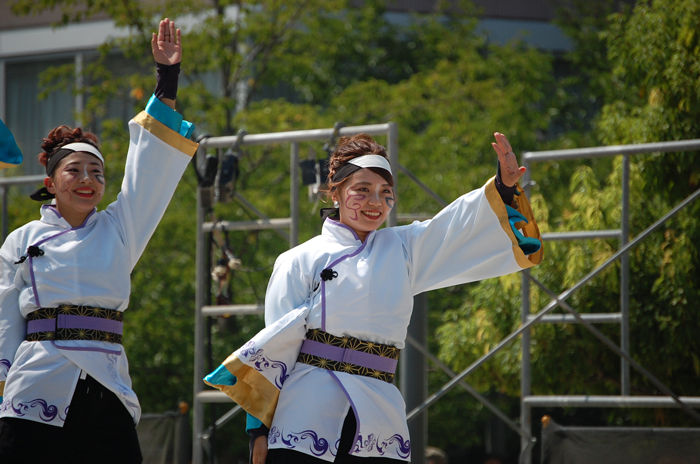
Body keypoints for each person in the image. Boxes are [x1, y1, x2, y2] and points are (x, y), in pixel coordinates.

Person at [205, 132, 543, 464]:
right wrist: (258, 431)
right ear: (335, 193)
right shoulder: (298, 260)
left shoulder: (404, 247)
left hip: (380, 415)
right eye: (362, 191)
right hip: (305, 415)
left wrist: (502, 187)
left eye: (385, 193)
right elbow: (272, 347)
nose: (375, 203)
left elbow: (455, 227)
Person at [0, 18, 197, 464]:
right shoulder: (21, 240)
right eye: (74, 171)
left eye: (97, 173)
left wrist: (167, 77)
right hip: (34, 387)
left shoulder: (120, 227)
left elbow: (148, 169)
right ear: (50, 182)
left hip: (106, 383)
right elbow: (5, 324)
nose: (88, 180)